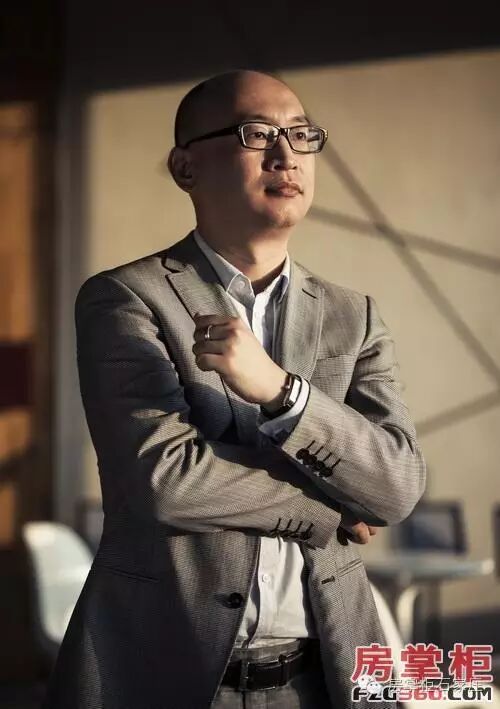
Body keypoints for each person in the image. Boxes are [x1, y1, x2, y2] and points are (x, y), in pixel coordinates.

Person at [42, 70, 426, 709]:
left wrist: (282, 392)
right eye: (257, 134)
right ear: (185, 167)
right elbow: (166, 482)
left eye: (300, 135)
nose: (286, 155)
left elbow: (399, 484)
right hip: (161, 673)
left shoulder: (352, 315)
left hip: (323, 678)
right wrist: (333, 505)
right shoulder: (126, 297)